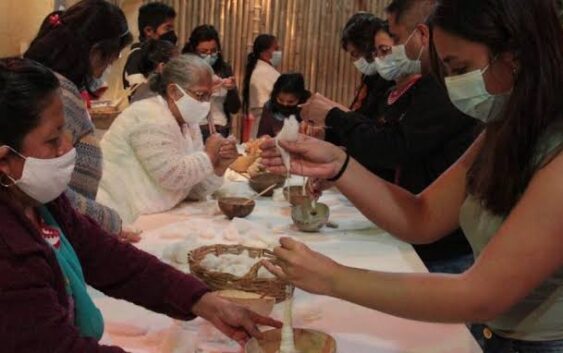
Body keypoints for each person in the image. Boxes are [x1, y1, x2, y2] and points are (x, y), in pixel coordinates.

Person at [260, 0, 563, 351]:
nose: (452, 85)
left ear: (515, 56)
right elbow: (422, 216)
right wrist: (338, 164)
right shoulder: (504, 129)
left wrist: (332, 278)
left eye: (459, 68)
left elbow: (482, 294)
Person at [0, 57, 280, 352]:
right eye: (53, 139)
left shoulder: (40, 202)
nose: (67, 147)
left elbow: (107, 257)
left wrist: (202, 301)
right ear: (5, 160)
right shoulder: (8, 255)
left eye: (65, 131)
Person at [305, 0, 479, 275]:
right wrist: (344, 172)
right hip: (423, 233)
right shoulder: (423, 86)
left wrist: (335, 120)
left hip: (446, 249)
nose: (378, 59)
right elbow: (414, 199)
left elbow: (395, 147)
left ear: (423, 35)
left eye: (390, 43)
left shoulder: (442, 88)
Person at [24, 0, 137, 241]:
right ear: (95, 52)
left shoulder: (46, 85)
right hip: (56, 233)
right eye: (110, 61)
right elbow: (45, 186)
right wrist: (109, 222)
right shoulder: (59, 96)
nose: (107, 69)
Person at [97, 55, 237, 224]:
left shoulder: (188, 123)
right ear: (174, 92)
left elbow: (192, 189)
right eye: (200, 95)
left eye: (209, 96)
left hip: (154, 215)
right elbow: (173, 176)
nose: (206, 103)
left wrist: (218, 167)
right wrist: (209, 156)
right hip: (120, 215)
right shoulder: (148, 115)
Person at [182, 25, 242, 140]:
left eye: (214, 51)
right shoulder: (185, 68)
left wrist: (232, 90)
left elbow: (235, 108)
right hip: (195, 131)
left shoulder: (224, 69)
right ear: (194, 50)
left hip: (221, 129)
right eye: (204, 51)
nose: (210, 55)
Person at [341, 12, 394, 117]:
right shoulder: (369, 77)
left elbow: (370, 121)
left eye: (355, 54)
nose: (355, 60)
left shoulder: (389, 77)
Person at [122, 2, 177, 91]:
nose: (172, 33)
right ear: (149, 31)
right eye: (167, 28)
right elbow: (138, 92)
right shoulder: (137, 56)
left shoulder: (160, 55)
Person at [242, 34, 282, 139]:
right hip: (266, 126)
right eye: (276, 49)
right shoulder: (262, 72)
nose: (279, 52)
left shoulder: (264, 70)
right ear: (265, 52)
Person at [257, 73, 311, 137]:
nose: (285, 104)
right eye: (280, 100)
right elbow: (262, 134)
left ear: (300, 98)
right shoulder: (269, 107)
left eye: (291, 102)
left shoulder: (309, 107)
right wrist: (265, 138)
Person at [130, 39, 179, 103]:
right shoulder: (155, 97)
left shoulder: (142, 89)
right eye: (177, 63)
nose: (181, 68)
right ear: (162, 67)